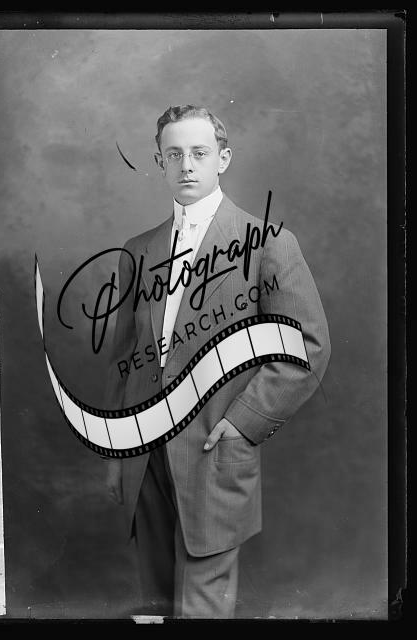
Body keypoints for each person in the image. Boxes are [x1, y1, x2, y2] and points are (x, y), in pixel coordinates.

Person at [103, 105, 331, 618]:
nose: (186, 165)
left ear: (222, 159)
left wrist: (244, 422)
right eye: (174, 154)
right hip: (144, 459)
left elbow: (308, 346)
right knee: (154, 605)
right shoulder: (138, 251)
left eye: (199, 153)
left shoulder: (269, 244)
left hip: (215, 452)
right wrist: (117, 450)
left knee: (202, 611)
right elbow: (125, 358)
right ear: (159, 162)